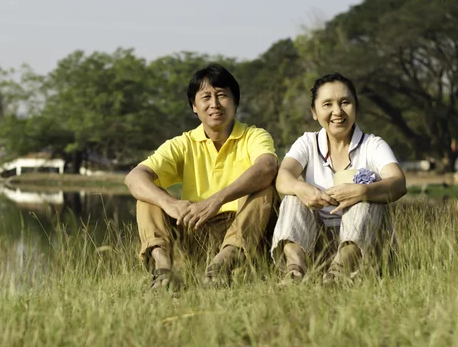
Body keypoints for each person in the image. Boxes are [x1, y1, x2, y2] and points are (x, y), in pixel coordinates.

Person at [124, 63, 279, 289]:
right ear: (194, 106)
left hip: (245, 233)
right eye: (206, 97)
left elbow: (267, 166)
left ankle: (223, 265)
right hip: (196, 229)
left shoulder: (253, 136)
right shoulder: (183, 143)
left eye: (222, 95)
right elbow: (134, 177)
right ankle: (163, 271)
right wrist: (170, 204)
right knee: (147, 195)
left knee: (264, 186)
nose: (214, 104)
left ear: (235, 102)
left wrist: (216, 200)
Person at [271, 73, 407, 284]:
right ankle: (295, 271)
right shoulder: (308, 142)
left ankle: (340, 272)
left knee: (366, 197)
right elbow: (283, 177)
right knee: (293, 196)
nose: (337, 111)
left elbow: (398, 182)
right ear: (314, 112)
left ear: (356, 107)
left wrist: (364, 191)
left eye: (345, 102)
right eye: (327, 104)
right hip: (317, 246)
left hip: (366, 250)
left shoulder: (373, 145)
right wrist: (301, 188)